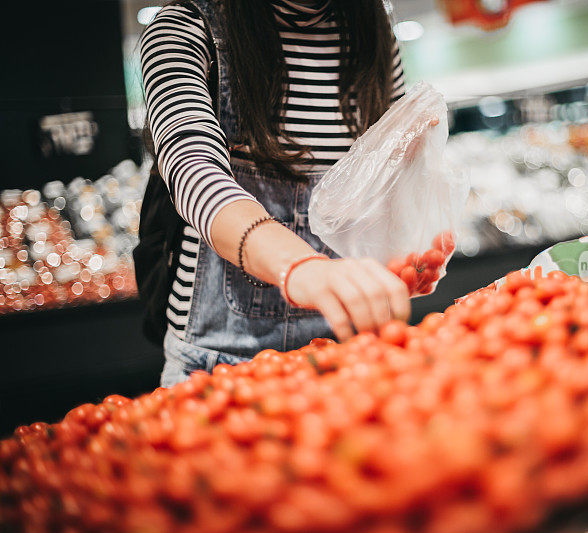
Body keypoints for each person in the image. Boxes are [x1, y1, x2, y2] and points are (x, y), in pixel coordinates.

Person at [141, 0, 412, 387]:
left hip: (349, 352)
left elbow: (388, 174)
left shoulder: (374, 30)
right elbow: (192, 170)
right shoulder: (186, 26)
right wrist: (300, 267)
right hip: (221, 367)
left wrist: (397, 258)